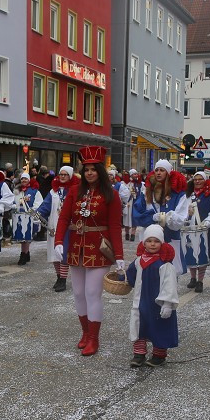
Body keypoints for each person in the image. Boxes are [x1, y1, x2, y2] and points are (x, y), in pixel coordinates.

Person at [54, 146, 125, 357]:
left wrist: (119, 256)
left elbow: (114, 226)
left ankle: (94, 338)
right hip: (76, 247)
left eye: (93, 169)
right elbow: (64, 218)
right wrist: (59, 240)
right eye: (86, 170)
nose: (89, 173)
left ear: (100, 171)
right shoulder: (74, 192)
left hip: (99, 249)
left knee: (92, 293)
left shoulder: (111, 194)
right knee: (77, 293)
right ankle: (85, 333)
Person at [125, 224, 179, 367]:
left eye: (156, 241)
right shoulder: (138, 261)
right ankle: (139, 353)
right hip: (141, 301)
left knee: (160, 326)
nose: (152, 244)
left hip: (157, 303)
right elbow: (130, 275)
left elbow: (170, 285)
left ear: (161, 243)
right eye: (149, 241)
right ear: (144, 243)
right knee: (139, 326)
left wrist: (168, 304)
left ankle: (159, 355)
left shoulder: (165, 265)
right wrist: (122, 278)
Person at [34, 166, 76, 292]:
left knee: (63, 254)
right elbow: (45, 205)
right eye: (60, 174)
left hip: (68, 227)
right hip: (54, 226)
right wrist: (38, 215)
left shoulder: (74, 190)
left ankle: (63, 279)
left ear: (70, 176)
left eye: (65, 174)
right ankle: (58, 277)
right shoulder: (54, 192)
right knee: (54, 254)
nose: (62, 176)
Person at [182, 172, 210, 293]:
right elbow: (182, 209)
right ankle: (192, 278)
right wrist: (185, 218)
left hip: (205, 230)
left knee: (203, 254)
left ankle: (200, 281)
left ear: (205, 181)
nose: (197, 182)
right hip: (190, 229)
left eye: (200, 179)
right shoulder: (188, 195)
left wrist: (208, 223)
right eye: (195, 180)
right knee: (191, 253)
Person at [11, 172, 42, 266]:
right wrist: (13, 205)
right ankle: (26, 253)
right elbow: (12, 200)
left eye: (26, 179)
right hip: (19, 216)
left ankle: (23, 254)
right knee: (21, 236)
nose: (24, 180)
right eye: (22, 179)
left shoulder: (34, 191)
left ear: (29, 180)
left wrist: (33, 209)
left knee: (27, 236)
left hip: (29, 216)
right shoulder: (17, 191)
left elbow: (39, 202)